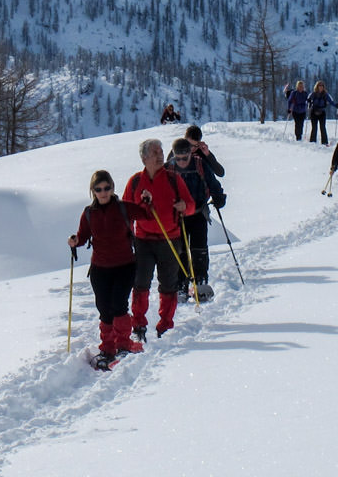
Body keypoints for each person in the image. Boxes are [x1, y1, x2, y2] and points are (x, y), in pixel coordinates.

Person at [68, 171, 154, 369]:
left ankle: (123, 344)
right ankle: (108, 347)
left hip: (124, 266)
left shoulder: (123, 208)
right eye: (98, 189)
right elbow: (82, 236)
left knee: (118, 305)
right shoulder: (89, 213)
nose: (103, 192)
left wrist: (147, 201)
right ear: (93, 191)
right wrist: (74, 241)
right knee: (104, 309)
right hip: (99, 269)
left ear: (113, 188)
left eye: (107, 188)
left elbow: (146, 214)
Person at [123, 138, 196, 340]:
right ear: (144, 158)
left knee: (168, 284)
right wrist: (126, 236)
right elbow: (126, 211)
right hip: (143, 240)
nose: (161, 155)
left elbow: (190, 205)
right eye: (156, 152)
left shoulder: (174, 179)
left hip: (170, 238)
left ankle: (166, 325)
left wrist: (184, 207)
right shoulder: (135, 181)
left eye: (161, 151)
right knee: (140, 284)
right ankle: (138, 325)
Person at [165, 138, 226, 301]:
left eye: (185, 158)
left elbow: (213, 183)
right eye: (178, 158)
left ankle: (201, 282)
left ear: (190, 154)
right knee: (180, 251)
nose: (182, 162)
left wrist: (219, 196)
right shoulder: (168, 168)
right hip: (177, 216)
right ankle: (180, 285)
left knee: (199, 249)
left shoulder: (200, 164)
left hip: (198, 212)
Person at [307, 80, 338, 145]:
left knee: (322, 127)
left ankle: (324, 142)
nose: (321, 87)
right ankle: (312, 142)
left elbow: (331, 101)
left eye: (322, 86)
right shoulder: (313, 94)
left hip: (322, 112)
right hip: (314, 112)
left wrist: (335, 105)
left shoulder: (326, 95)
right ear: (317, 86)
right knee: (314, 127)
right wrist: (309, 103)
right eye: (320, 86)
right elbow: (308, 100)